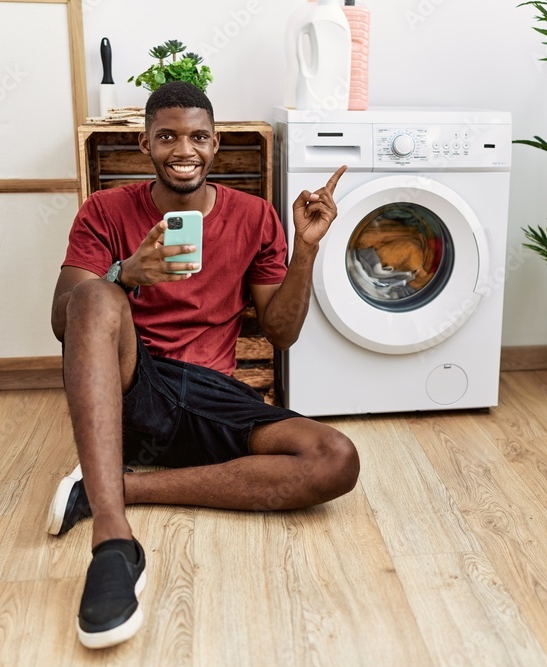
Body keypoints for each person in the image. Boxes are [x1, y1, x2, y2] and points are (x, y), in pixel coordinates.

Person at [48, 80, 359, 649]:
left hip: (213, 394)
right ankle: (114, 544)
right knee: (93, 295)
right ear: (146, 145)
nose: (183, 150)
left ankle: (107, 489)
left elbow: (281, 332)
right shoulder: (105, 211)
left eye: (198, 137)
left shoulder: (257, 218)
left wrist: (307, 249)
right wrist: (124, 274)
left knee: (335, 458)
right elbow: (63, 320)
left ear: (216, 146)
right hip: (137, 384)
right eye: (167, 137)